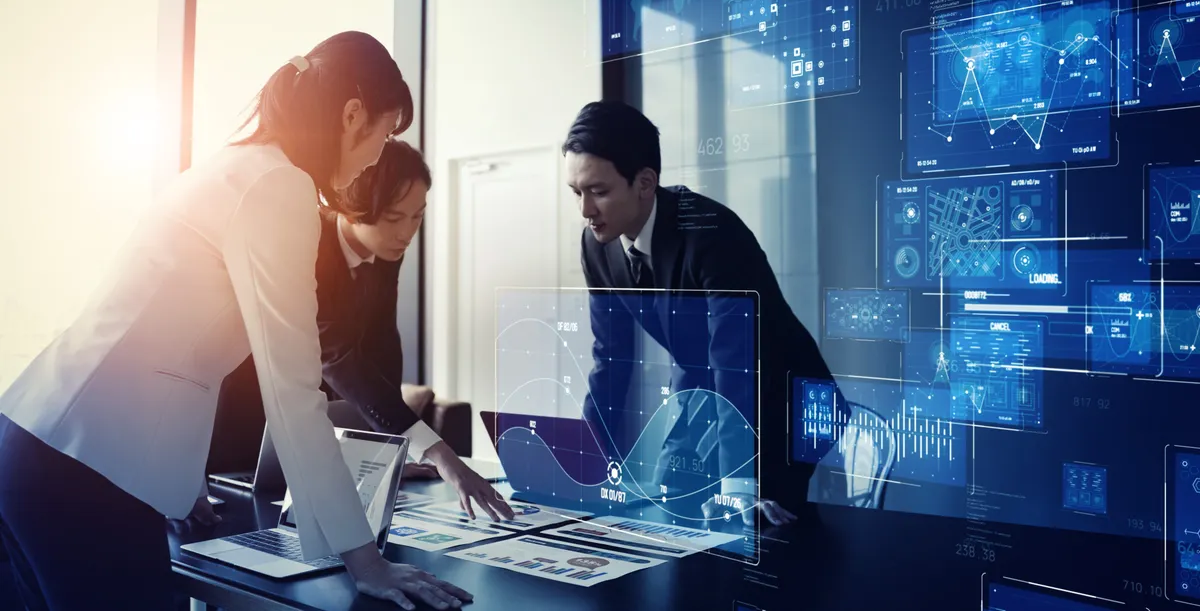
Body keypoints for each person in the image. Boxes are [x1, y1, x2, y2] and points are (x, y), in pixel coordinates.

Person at [0, 31, 470, 611]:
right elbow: (294, 395)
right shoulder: (281, 187)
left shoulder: (236, 166)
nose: (380, 154)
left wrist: (179, 475)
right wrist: (365, 560)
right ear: (353, 116)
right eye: (386, 132)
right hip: (84, 472)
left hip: (38, 443)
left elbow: (161, 340)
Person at [563, 100, 847, 526]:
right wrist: (582, 458)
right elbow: (611, 358)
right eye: (577, 192)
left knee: (756, 532)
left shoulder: (713, 234)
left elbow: (738, 363)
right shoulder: (596, 245)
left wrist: (738, 486)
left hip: (783, 398)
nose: (585, 211)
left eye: (598, 192)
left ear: (644, 182)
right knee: (670, 499)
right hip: (700, 389)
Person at [207, 139, 513, 523]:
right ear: (351, 210)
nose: (406, 232)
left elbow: (383, 343)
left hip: (297, 429)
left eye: (417, 216)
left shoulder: (385, 250)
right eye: (393, 218)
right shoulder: (306, 240)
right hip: (242, 412)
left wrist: (396, 449)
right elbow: (337, 355)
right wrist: (441, 456)